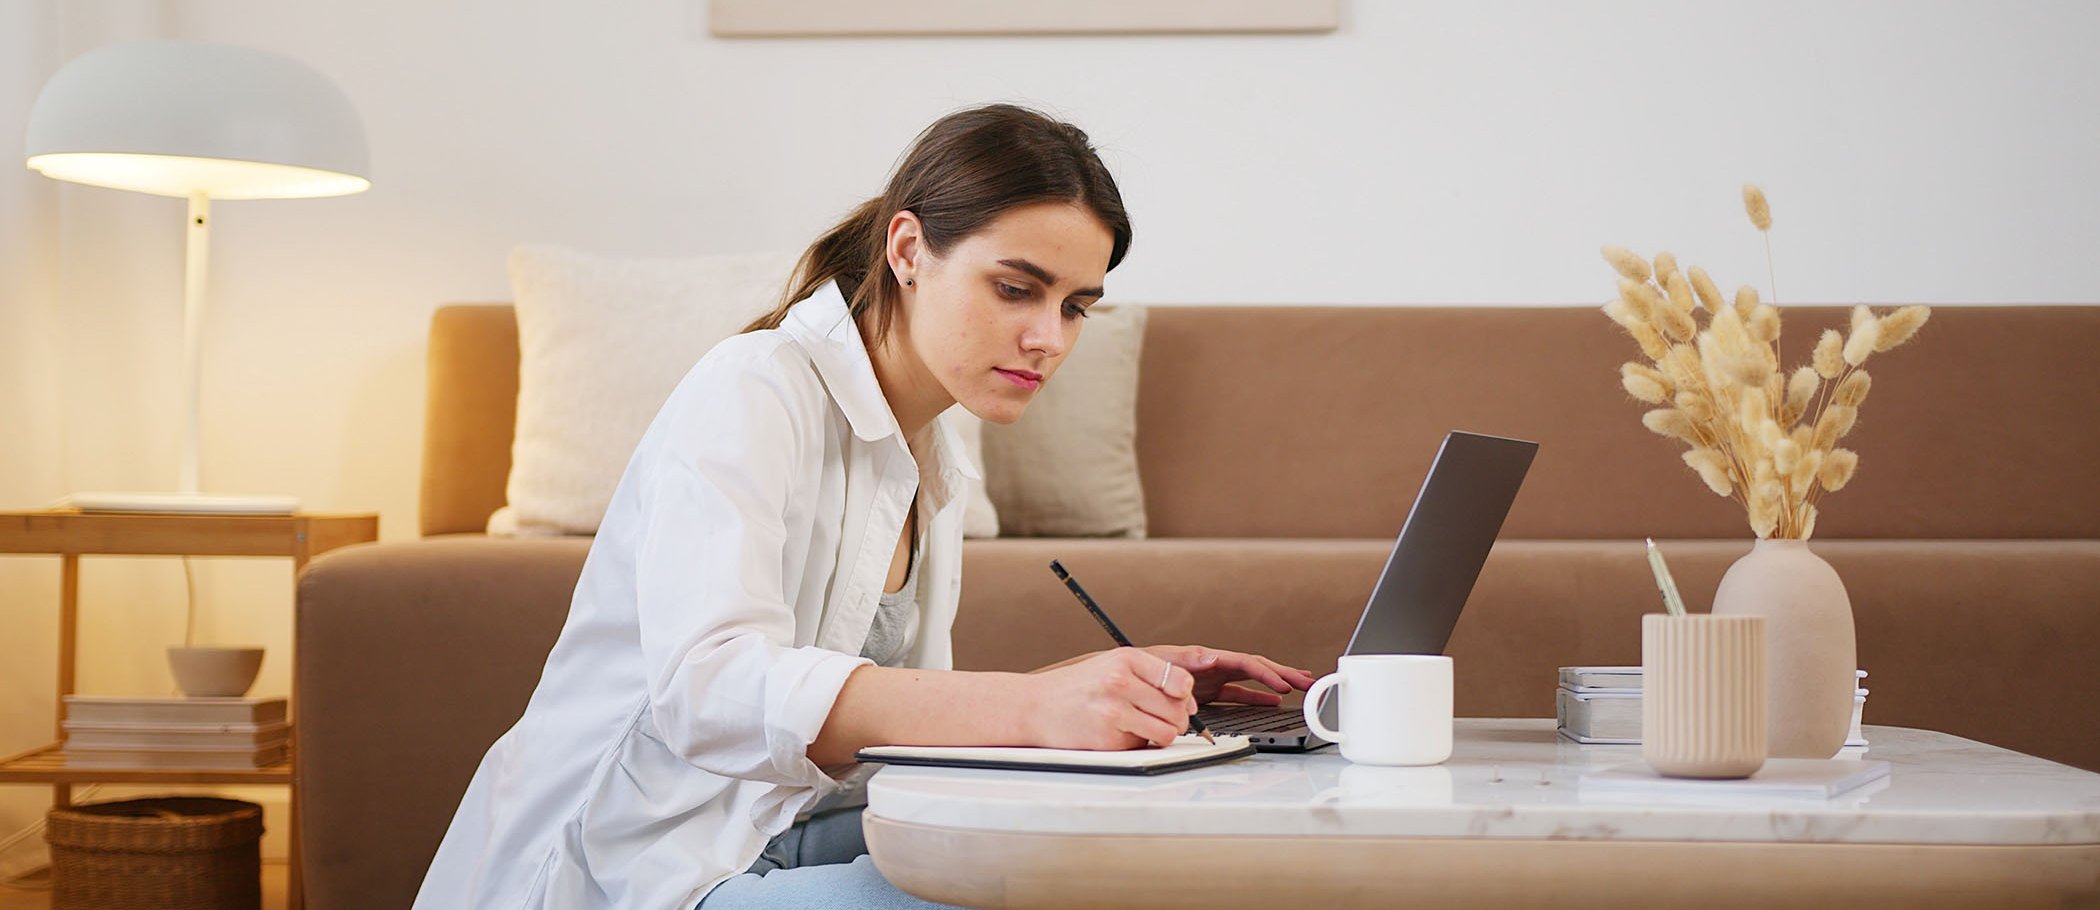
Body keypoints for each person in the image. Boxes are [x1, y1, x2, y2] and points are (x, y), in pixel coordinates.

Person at [414, 103, 1317, 910]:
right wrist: (1032, 710)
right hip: (655, 860)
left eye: (1077, 306)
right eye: (1016, 288)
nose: (1049, 338)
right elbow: (710, 690)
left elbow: (889, 721)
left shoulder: (936, 451)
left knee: (1125, 862)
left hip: (792, 826)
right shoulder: (755, 386)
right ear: (909, 250)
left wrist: (1101, 691)